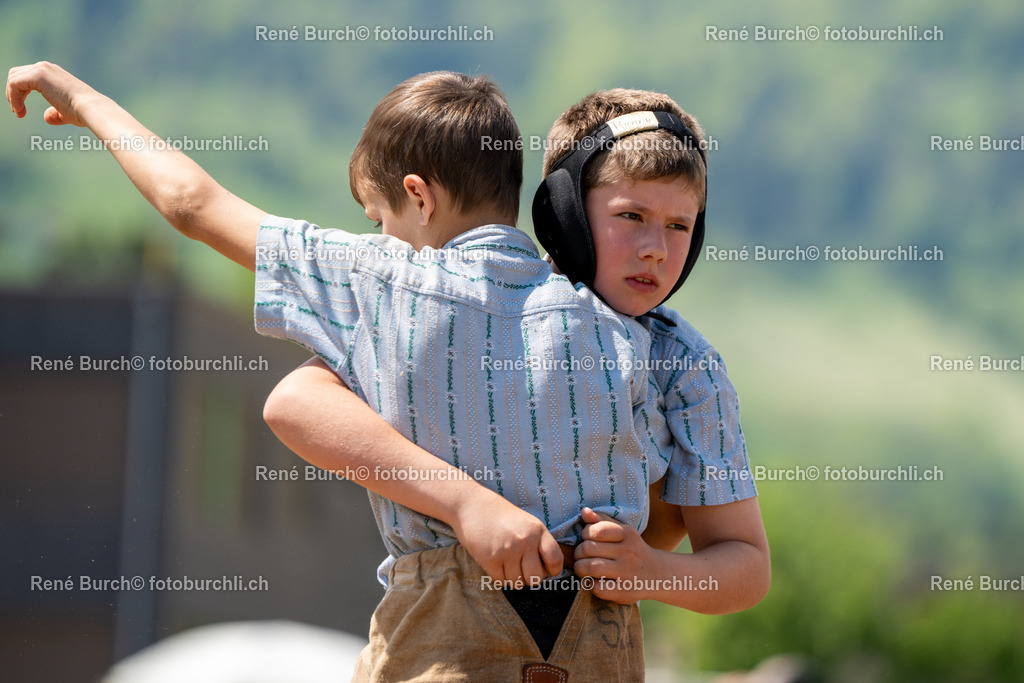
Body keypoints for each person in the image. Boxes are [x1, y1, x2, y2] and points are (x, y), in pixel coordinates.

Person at [7, 62, 672, 681]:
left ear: (418, 196)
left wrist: (86, 101)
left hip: (445, 638)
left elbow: (190, 202)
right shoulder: (616, 321)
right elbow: (666, 512)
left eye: (379, 219)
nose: (380, 236)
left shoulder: (380, 278)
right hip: (601, 645)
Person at [266, 86, 770, 676]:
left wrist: (655, 571)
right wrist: (463, 502)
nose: (655, 249)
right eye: (630, 216)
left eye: (680, 226)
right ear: (564, 215)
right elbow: (298, 400)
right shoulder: (467, 304)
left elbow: (745, 566)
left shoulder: (685, 365)